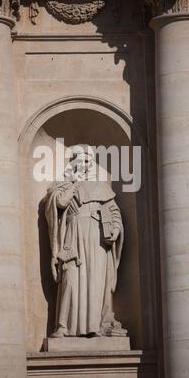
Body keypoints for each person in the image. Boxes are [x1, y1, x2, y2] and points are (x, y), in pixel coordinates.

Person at [45, 144, 127, 338]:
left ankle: (94, 326)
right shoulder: (63, 185)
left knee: (96, 281)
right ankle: (63, 326)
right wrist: (74, 182)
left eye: (89, 161)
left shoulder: (102, 186)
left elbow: (114, 212)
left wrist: (115, 229)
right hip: (73, 236)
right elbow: (60, 203)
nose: (85, 165)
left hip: (97, 238)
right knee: (70, 280)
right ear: (72, 163)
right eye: (81, 161)